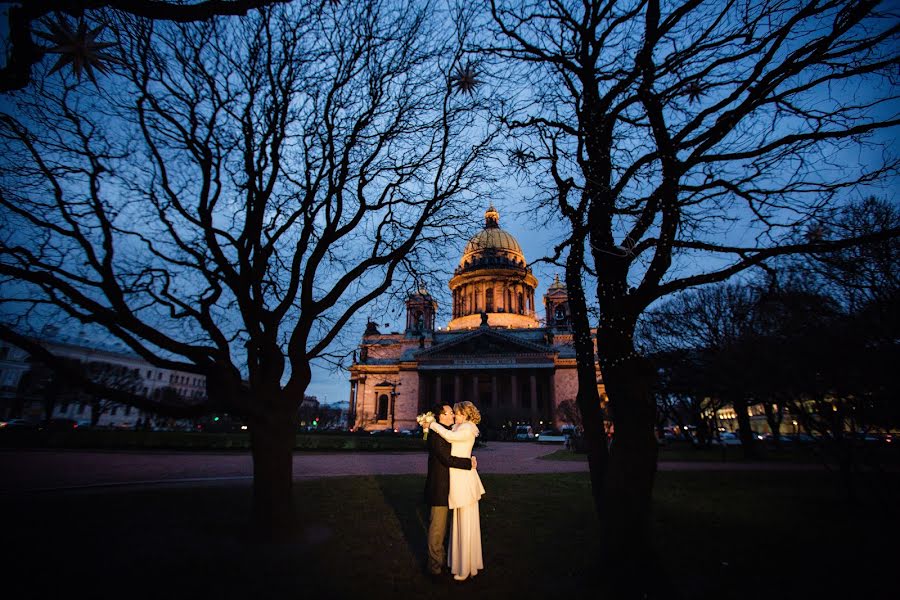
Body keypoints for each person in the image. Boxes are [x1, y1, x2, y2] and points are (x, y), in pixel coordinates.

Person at [424, 400, 485, 582]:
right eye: (450, 413)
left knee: (464, 524)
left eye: (455, 413)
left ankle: (464, 566)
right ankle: (449, 564)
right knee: (451, 526)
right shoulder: (451, 430)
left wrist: (431, 423)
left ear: (464, 415)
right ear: (441, 415)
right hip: (447, 484)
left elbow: (453, 442)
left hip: (461, 483)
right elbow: (447, 455)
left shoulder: (465, 428)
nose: (453, 415)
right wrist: (469, 461)